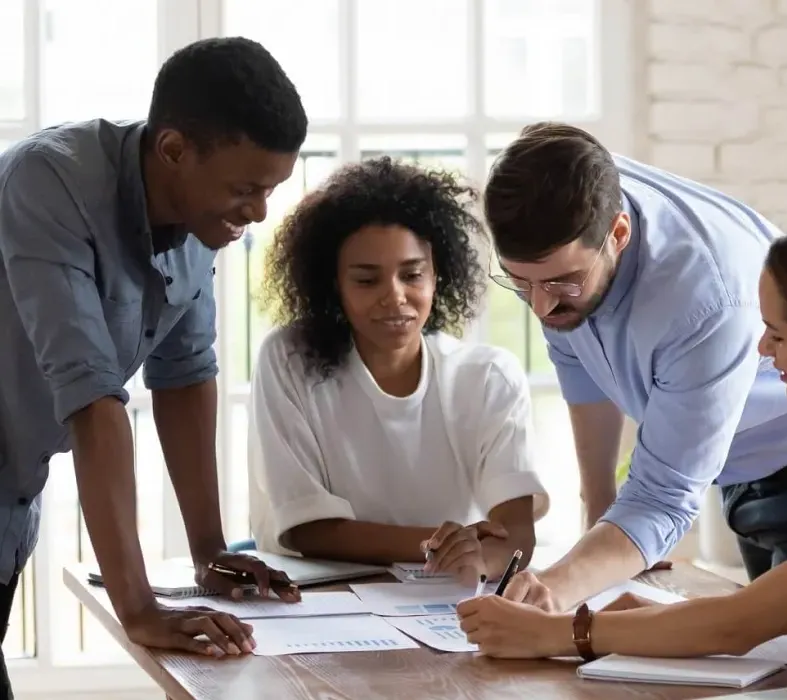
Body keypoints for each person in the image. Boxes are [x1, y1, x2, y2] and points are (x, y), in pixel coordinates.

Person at [457, 202, 787, 660]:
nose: (763, 350)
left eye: (778, 334)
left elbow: (738, 627)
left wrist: (558, 634)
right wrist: (655, 622)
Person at [0, 35, 308, 693]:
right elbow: (91, 397)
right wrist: (136, 607)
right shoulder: (47, 182)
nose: (257, 214)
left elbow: (186, 373)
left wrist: (210, 553)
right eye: (246, 189)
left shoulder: (200, 223)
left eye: (271, 190)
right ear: (173, 150)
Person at [475, 122, 787, 614]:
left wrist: (557, 590)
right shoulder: (564, 198)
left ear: (618, 235)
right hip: (737, 470)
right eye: (519, 282)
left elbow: (662, 499)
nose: (539, 306)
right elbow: (578, 359)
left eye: (562, 282)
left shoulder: (705, 303)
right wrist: (603, 523)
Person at [248, 156, 549, 586]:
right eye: (367, 281)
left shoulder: (488, 377)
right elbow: (306, 530)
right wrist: (446, 543)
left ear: (437, 275)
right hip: (319, 602)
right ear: (334, 284)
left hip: (441, 606)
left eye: (412, 274)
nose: (395, 297)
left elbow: (516, 537)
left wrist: (481, 557)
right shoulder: (290, 360)